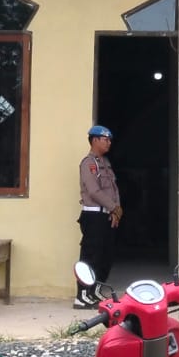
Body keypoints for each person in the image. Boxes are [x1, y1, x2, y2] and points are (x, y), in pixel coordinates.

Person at [75, 124, 122, 308]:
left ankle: (95, 289)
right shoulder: (88, 163)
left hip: (107, 215)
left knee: (105, 256)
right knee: (91, 256)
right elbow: (94, 191)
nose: (109, 143)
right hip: (93, 216)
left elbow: (113, 188)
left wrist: (115, 210)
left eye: (109, 140)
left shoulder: (105, 163)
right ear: (94, 140)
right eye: (105, 139)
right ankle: (82, 295)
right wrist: (113, 207)